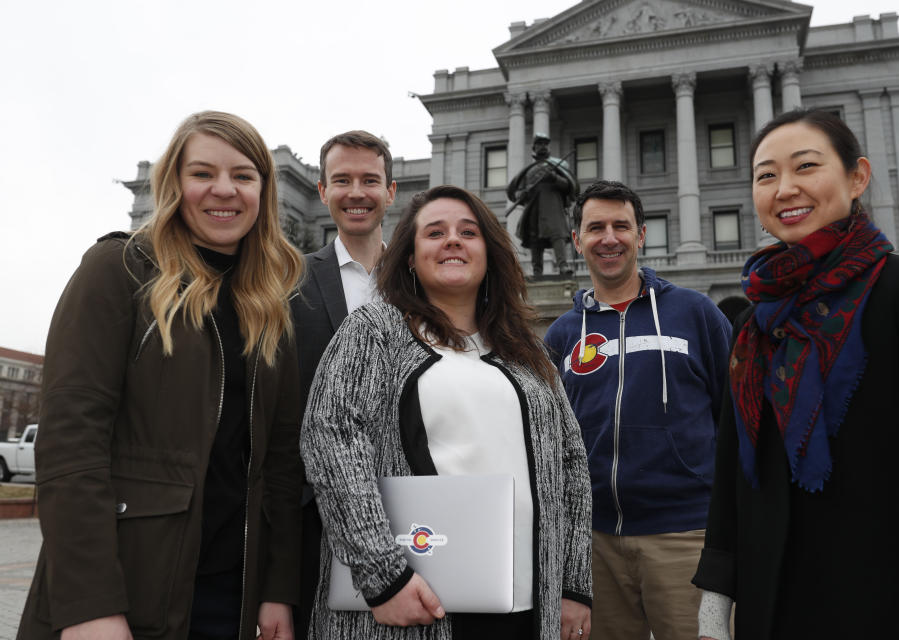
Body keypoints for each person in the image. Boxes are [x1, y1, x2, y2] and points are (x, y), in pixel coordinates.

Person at [17, 111, 304, 640]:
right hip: (128, 586)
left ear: (263, 191)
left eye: (243, 175)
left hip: (233, 598)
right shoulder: (118, 269)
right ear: (175, 183)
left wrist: (278, 588)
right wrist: (88, 604)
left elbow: (282, 464)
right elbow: (71, 442)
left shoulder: (269, 306)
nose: (224, 189)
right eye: (202, 174)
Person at [693, 109, 899, 640]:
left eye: (806, 167)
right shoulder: (754, 319)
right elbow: (733, 464)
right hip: (772, 603)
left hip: (882, 599)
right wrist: (716, 596)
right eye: (766, 176)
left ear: (857, 177)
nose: (785, 189)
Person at [299, 184, 593, 639]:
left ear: (490, 254)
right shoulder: (376, 330)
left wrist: (574, 584)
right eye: (435, 233)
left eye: (468, 232)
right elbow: (331, 437)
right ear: (411, 258)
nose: (453, 240)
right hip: (412, 605)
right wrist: (384, 576)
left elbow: (571, 463)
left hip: (526, 606)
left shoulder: (528, 351)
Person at [544, 180, 732, 640]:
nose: (609, 238)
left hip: (686, 537)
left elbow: (737, 420)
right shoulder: (563, 334)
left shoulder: (696, 312)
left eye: (620, 226)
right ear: (577, 240)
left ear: (641, 235)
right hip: (594, 544)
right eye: (595, 228)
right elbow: (548, 439)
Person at [291, 129, 396, 638]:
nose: (357, 192)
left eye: (370, 180)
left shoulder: (426, 280)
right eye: (343, 180)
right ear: (322, 191)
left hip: (416, 504)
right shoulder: (290, 283)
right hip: (319, 512)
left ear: (390, 192)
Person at [507, 134, 579, 278]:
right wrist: (521, 195)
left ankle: (563, 266)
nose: (542, 146)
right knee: (535, 240)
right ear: (534, 148)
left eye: (545, 144)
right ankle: (537, 271)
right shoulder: (529, 171)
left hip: (553, 207)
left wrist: (554, 178)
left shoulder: (557, 166)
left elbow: (569, 187)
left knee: (557, 235)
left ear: (549, 147)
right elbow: (517, 192)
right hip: (534, 208)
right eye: (539, 144)